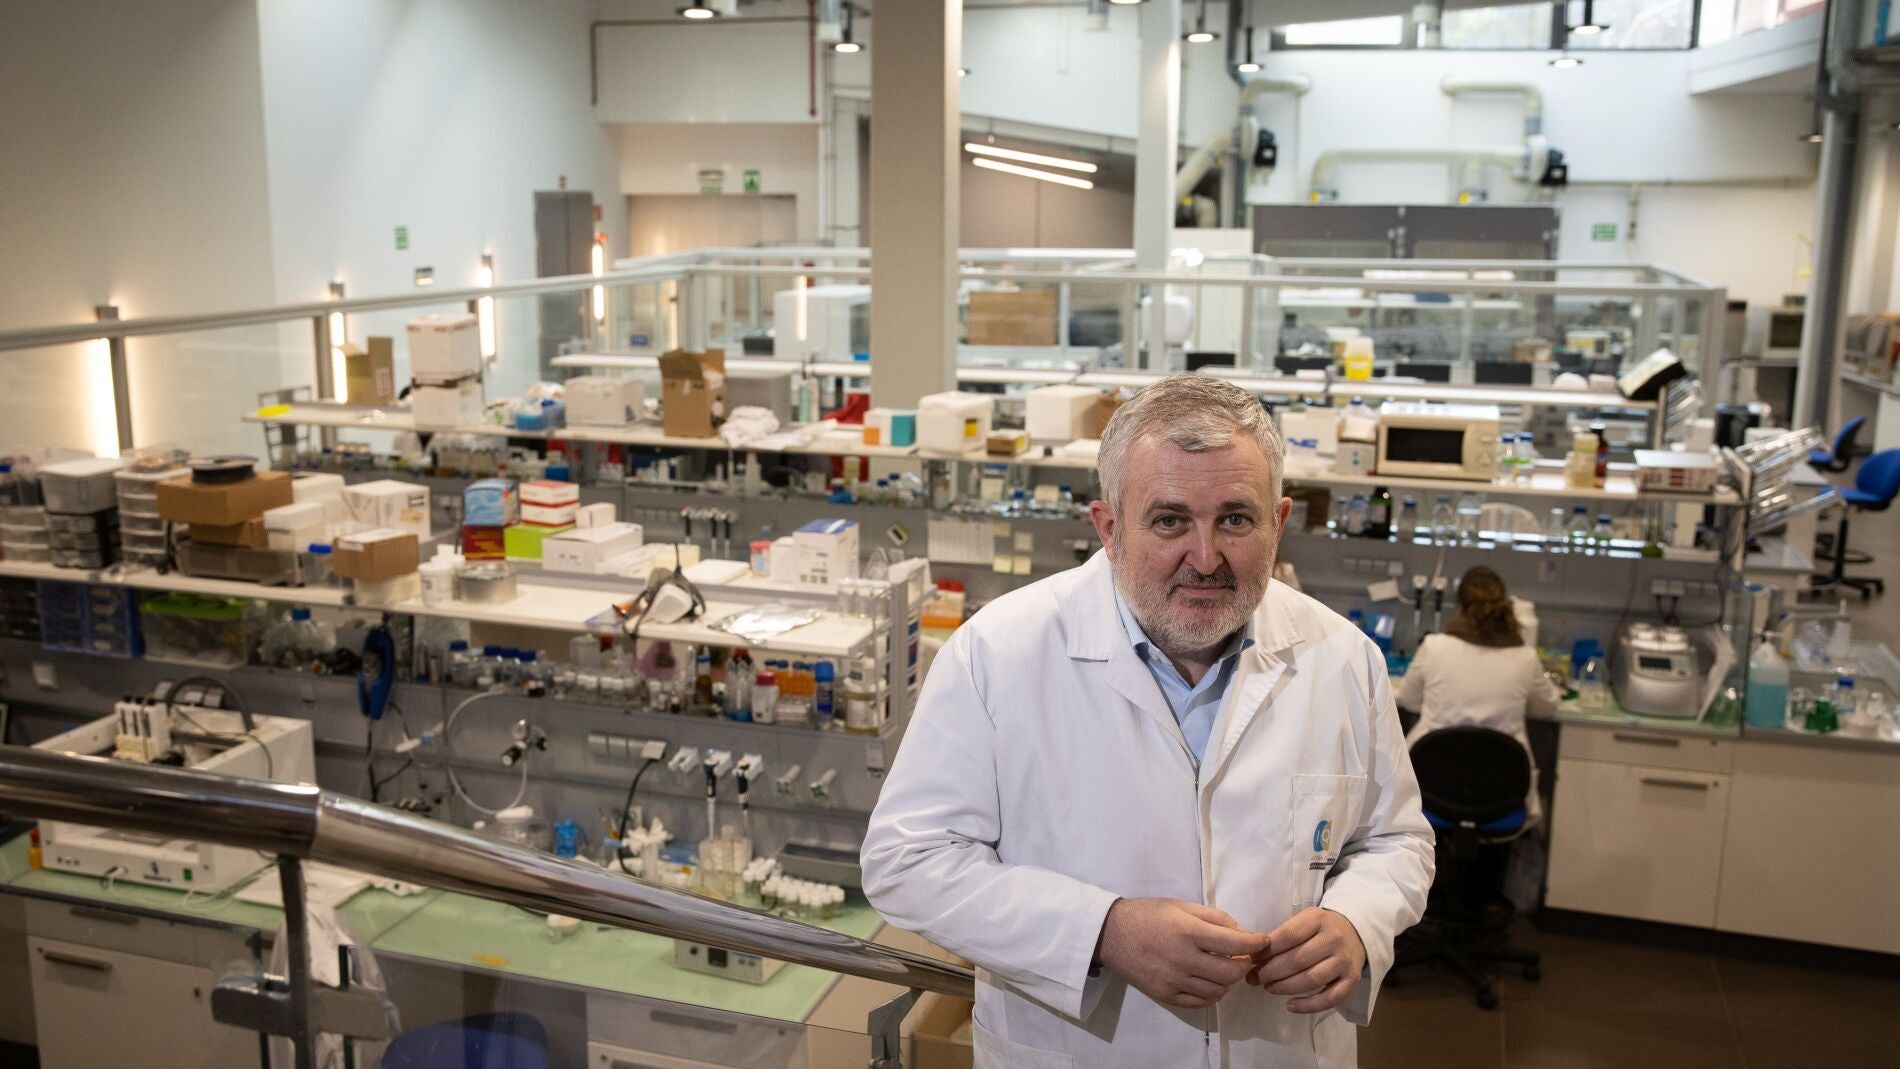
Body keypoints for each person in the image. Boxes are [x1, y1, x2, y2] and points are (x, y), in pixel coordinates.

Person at [861, 375, 1435, 1068]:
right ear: (1109, 528)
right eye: (1169, 521)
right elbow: (908, 861)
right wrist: (1103, 931)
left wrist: (1356, 920)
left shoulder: (1343, 658)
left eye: (1236, 519)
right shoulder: (997, 654)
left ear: (1279, 522)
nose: (1205, 557)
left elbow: (1397, 840)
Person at [1396, 565, 1559, 816]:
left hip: (1431, 785)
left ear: (1459, 606)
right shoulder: (1524, 657)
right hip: (1502, 792)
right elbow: (1546, 708)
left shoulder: (1434, 647)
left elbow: (1409, 700)